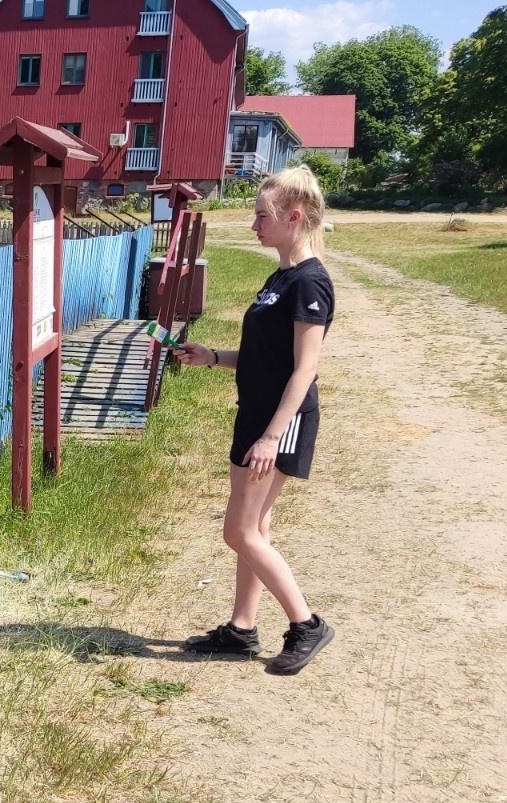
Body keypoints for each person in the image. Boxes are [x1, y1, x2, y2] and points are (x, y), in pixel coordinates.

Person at [173, 164, 336, 676]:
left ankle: (306, 623)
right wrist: (215, 357)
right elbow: (267, 357)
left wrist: (271, 437)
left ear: (293, 217)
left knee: (239, 532)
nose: (253, 226)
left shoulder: (310, 283)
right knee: (255, 528)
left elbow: (305, 369)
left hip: (278, 422)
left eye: (261, 216)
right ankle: (243, 629)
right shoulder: (280, 277)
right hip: (256, 414)